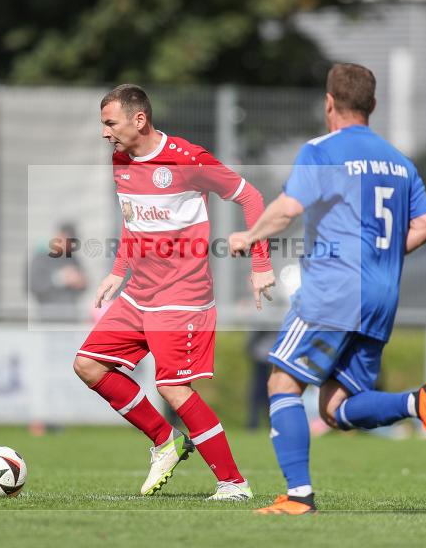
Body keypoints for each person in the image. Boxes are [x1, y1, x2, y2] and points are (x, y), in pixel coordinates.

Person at [229, 63, 426, 515]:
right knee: (336, 407)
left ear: (328, 103)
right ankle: (418, 402)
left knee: (282, 380)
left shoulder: (322, 150)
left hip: (335, 287)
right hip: (381, 292)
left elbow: (288, 208)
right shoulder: (399, 161)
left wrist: (249, 236)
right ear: (372, 106)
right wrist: (384, 256)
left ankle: (298, 497)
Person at [72, 84, 276, 501]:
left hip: (182, 295)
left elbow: (251, 197)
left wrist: (260, 265)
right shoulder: (120, 160)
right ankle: (166, 440)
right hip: (138, 294)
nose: (104, 132)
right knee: (88, 365)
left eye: (110, 123)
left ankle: (233, 484)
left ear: (139, 120)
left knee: (173, 388)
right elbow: (133, 222)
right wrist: (117, 272)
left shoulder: (187, 159)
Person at [28, 222, 88, 320]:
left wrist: (80, 281)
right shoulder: (41, 257)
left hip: (71, 317)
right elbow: (33, 285)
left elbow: (84, 283)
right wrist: (60, 278)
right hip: (48, 317)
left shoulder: (72, 258)